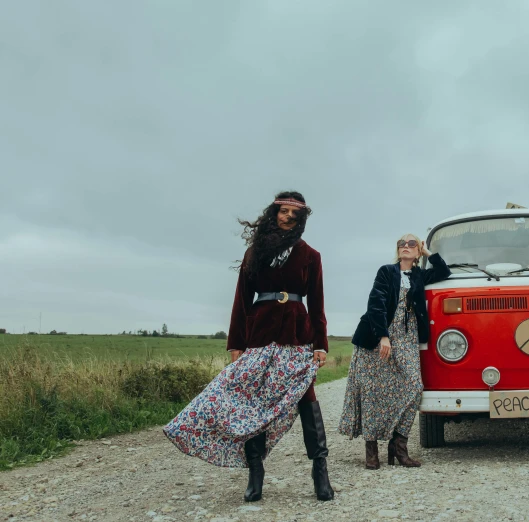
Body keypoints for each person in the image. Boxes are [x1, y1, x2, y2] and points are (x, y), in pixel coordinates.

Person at [163, 191, 334, 502]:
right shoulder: (255, 252)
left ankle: (320, 470)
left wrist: (320, 344)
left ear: (302, 220)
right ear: (274, 213)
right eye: (283, 212)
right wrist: (236, 343)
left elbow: (317, 302)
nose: (287, 218)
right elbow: (241, 299)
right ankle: (255, 472)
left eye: (294, 215)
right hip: (260, 333)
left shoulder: (311, 255)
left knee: (307, 398)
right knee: (254, 404)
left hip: (297, 335)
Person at [338, 233, 451, 469]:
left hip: (408, 339)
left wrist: (427, 251)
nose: (406, 247)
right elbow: (376, 302)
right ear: (397, 250)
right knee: (372, 392)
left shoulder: (420, 275)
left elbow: (444, 271)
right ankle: (371, 451)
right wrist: (383, 337)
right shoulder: (386, 271)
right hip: (378, 336)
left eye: (412, 244)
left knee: (413, 386)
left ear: (418, 251)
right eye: (402, 244)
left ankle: (398, 446)